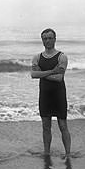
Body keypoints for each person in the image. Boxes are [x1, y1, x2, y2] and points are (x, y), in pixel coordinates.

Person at [31, 28, 71, 159]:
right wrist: (51, 71)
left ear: (55, 39)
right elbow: (33, 74)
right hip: (44, 96)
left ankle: (68, 154)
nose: (47, 40)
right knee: (46, 126)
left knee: (62, 125)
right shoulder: (37, 57)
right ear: (42, 40)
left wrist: (42, 73)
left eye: (50, 38)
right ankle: (47, 152)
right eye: (45, 38)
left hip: (59, 95)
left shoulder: (62, 56)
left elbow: (59, 78)